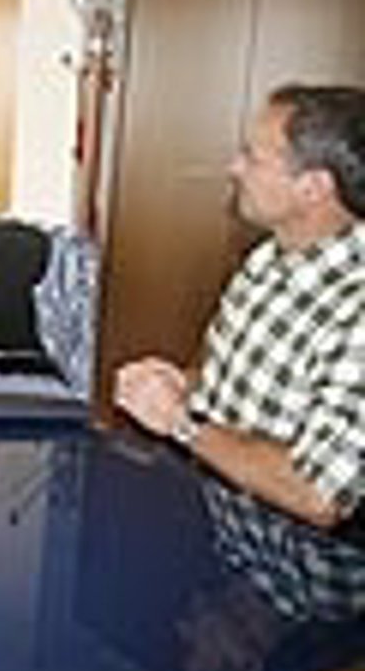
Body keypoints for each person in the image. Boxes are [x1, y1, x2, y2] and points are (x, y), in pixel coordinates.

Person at [115, 85, 365, 617]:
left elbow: (318, 493)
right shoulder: (268, 259)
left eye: (253, 156)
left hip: (308, 607)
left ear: (313, 188)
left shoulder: (356, 309)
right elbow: (220, 371)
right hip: (230, 542)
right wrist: (181, 384)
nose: (233, 168)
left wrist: (180, 423)